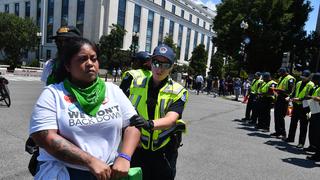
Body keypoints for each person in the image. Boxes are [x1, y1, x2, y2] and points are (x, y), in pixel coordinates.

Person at [29, 37, 141, 179]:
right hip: (66, 174)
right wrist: (90, 161)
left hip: (108, 173)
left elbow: (133, 125)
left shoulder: (112, 90)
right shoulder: (53, 94)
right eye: (82, 59)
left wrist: (125, 157)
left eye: (93, 59)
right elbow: (44, 137)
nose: (90, 64)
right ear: (68, 66)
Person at [128, 44, 189, 180]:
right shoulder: (135, 83)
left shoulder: (178, 91)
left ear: (172, 67)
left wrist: (149, 124)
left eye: (165, 64)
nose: (159, 68)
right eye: (156, 62)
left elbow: (171, 119)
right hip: (138, 148)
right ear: (150, 63)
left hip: (164, 151)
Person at [285, 70, 314, 148]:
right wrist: (290, 97)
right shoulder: (298, 83)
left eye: (304, 77)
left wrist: (299, 99)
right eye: (302, 77)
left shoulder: (311, 85)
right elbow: (294, 92)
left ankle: (301, 142)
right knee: (293, 122)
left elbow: (310, 96)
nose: (303, 78)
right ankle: (290, 138)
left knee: (303, 125)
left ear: (309, 77)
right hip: (296, 105)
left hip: (305, 107)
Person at [271, 67, 295, 139]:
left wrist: (277, 89)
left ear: (284, 72)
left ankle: (283, 133)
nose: (279, 74)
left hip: (284, 98)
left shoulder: (290, 78)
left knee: (281, 116)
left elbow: (289, 91)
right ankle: (278, 131)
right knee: (276, 115)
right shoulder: (282, 78)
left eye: (280, 73)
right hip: (279, 97)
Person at [304, 73, 320, 160]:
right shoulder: (315, 87)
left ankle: (318, 155)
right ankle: (313, 146)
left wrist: (312, 97)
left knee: (318, 134)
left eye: (314, 79)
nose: (312, 81)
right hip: (314, 110)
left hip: (319, 113)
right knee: (312, 131)